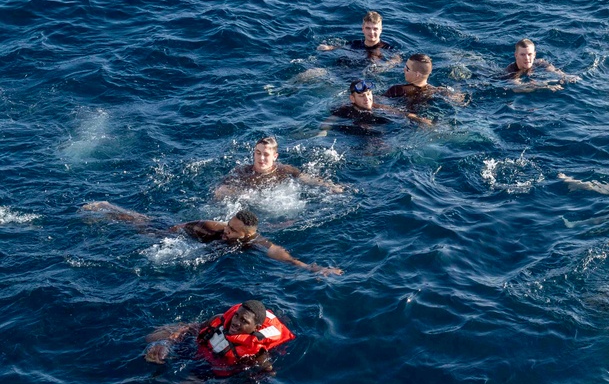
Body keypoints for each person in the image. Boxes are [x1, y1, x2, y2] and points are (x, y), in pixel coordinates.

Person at [81, 202, 344, 274]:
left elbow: (281, 255)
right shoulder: (213, 227)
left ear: (247, 235)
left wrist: (312, 268)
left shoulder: (254, 243)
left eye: (233, 231)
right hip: (186, 235)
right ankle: (109, 209)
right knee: (144, 225)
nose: (227, 232)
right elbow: (185, 225)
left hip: (204, 249)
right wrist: (170, 234)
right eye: (228, 226)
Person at [142, 299, 295, 384]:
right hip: (195, 350)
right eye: (237, 315)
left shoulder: (258, 353)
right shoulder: (219, 320)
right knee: (151, 337)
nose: (236, 322)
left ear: (256, 327)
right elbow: (194, 328)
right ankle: (157, 356)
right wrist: (167, 342)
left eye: (244, 321)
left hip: (207, 372)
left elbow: (268, 372)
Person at [214, 136, 344, 199]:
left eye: (266, 154)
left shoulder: (283, 170)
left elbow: (305, 177)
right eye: (258, 153)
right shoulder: (242, 172)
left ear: (275, 156)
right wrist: (242, 194)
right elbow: (220, 191)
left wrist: (329, 186)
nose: (261, 158)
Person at [318, 79, 432, 136]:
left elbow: (401, 113)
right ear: (352, 99)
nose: (367, 99)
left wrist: (420, 120)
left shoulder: (377, 106)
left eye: (368, 94)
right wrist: (323, 132)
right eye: (361, 96)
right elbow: (329, 121)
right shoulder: (345, 109)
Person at [317, 10, 399, 63]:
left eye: (375, 29)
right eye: (368, 28)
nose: (371, 32)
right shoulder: (355, 43)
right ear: (362, 29)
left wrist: (384, 66)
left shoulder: (386, 48)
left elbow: (397, 58)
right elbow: (341, 46)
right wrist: (328, 48)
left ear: (381, 30)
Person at [384, 53, 468, 105]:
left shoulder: (397, 89)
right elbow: (460, 100)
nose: (404, 69)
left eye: (407, 68)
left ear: (417, 74)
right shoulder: (438, 90)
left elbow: (376, 102)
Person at [503, 38, 578, 92]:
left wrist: (566, 77)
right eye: (522, 54)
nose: (527, 58)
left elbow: (555, 71)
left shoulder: (539, 62)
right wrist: (545, 87)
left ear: (534, 55)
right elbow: (518, 88)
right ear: (516, 55)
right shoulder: (511, 72)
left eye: (529, 54)